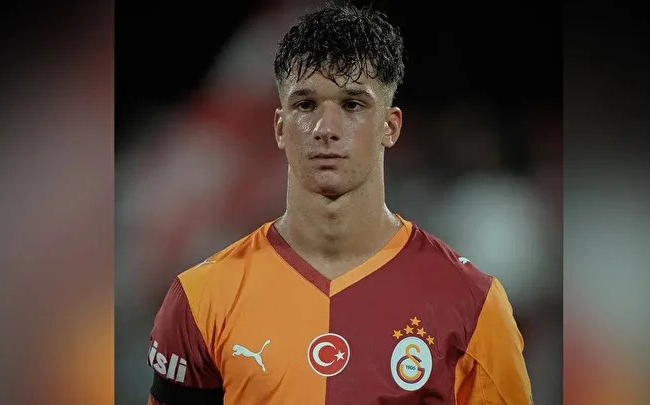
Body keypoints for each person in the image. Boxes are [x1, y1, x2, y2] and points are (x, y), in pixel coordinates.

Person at [146, 3, 532, 404]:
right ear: (280, 127)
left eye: (352, 105)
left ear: (390, 126)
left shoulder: (473, 302)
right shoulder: (201, 297)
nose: (325, 129)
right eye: (306, 105)